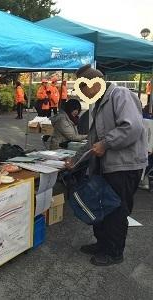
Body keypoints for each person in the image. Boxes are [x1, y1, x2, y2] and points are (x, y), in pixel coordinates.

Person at [67, 64, 148, 266]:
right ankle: (102, 243)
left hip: (125, 165)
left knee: (117, 210)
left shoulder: (120, 95)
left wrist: (106, 143)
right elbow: (91, 140)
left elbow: (132, 127)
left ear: (95, 83)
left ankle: (114, 252)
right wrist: (75, 160)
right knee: (102, 206)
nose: (83, 95)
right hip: (106, 166)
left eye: (83, 89)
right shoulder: (98, 102)